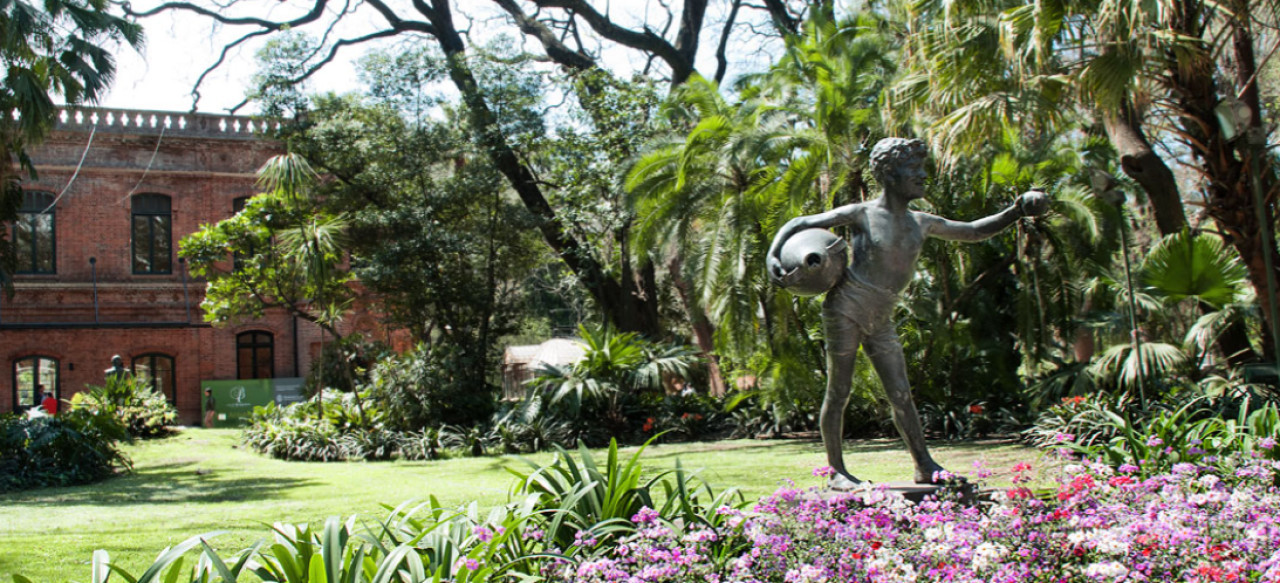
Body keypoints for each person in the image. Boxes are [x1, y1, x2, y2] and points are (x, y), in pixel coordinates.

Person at [766, 137, 1048, 490]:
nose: (922, 175)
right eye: (913, 170)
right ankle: (836, 471)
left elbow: (975, 231)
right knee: (839, 391)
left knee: (901, 394)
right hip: (847, 307)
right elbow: (800, 221)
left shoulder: (923, 222)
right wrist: (774, 259)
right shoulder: (862, 214)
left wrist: (1016, 210)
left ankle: (924, 465)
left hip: (881, 315)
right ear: (889, 174)